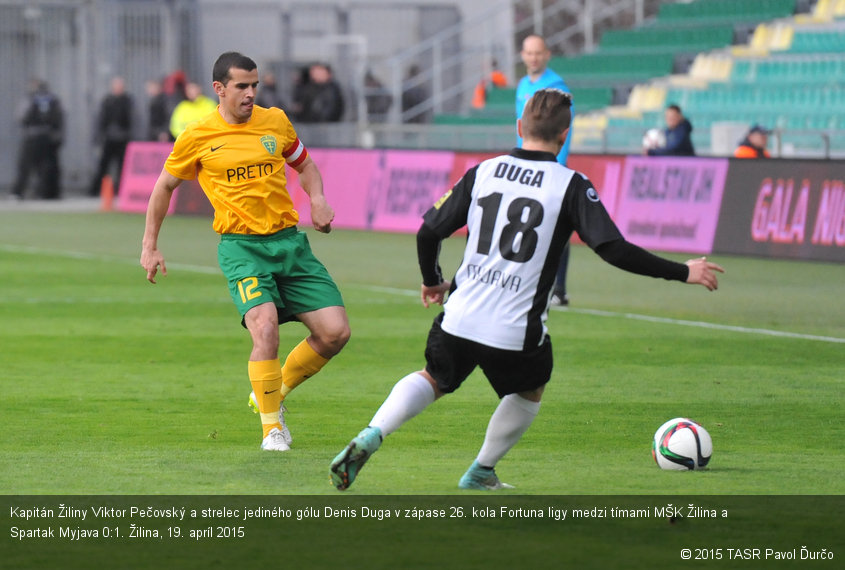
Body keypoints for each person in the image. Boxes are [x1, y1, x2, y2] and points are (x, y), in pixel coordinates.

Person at [330, 88, 724, 491]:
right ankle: (481, 471)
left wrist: (432, 279)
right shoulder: (571, 185)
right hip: (514, 330)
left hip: (459, 316)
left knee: (434, 377)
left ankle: (374, 432)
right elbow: (613, 249)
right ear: (565, 135)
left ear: (520, 127)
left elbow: (428, 230)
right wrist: (682, 271)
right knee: (530, 387)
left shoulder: (484, 170)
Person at [140, 52, 350, 452]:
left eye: (255, 85)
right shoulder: (198, 134)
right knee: (265, 327)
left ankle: (272, 392)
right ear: (219, 89)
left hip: (290, 243)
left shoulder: (276, 122)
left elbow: (305, 166)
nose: (251, 93)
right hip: (241, 247)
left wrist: (318, 199)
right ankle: (273, 429)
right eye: (242, 86)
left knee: (335, 333)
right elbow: (163, 187)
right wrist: (150, 245)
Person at [516, 34, 574, 306]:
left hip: (548, 167)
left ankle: (559, 289)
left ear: (547, 54)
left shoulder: (556, 87)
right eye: (529, 53)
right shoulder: (522, 85)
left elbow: (564, 129)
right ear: (522, 55)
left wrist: (556, 165)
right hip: (525, 165)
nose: (533, 58)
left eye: (538, 53)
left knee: (555, 227)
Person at [11, 79, 64, 200]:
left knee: (26, 166)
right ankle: (44, 193)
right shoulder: (53, 99)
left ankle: (20, 192)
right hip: (47, 137)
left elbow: (21, 117)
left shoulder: (30, 98)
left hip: (33, 137)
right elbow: (59, 118)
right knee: (45, 167)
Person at [89, 76, 134, 197]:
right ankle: (96, 190)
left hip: (123, 138)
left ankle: (122, 190)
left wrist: (128, 135)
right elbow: (101, 119)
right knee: (103, 166)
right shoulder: (107, 100)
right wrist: (101, 136)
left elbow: (131, 119)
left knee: (122, 167)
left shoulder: (127, 101)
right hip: (108, 138)